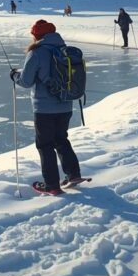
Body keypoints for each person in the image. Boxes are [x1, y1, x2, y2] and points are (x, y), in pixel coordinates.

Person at [9, 20, 84, 195]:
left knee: (45, 145)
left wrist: (14, 76)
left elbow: (26, 81)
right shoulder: (65, 51)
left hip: (44, 108)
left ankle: (51, 184)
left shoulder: (36, 53)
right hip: (66, 105)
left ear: (37, 36)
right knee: (61, 139)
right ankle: (73, 174)